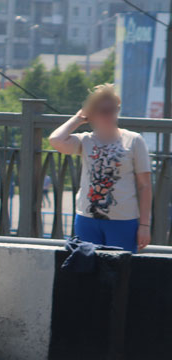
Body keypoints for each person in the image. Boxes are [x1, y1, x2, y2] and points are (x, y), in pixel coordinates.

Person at [49, 84, 152, 252]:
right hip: (87, 218)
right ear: (92, 114)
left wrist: (145, 225)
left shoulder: (134, 140)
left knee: (119, 272)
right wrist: (78, 118)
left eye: (113, 110)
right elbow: (56, 140)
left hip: (123, 220)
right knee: (88, 272)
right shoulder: (85, 140)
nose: (109, 115)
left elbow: (145, 185)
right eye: (103, 111)